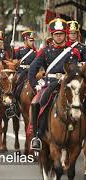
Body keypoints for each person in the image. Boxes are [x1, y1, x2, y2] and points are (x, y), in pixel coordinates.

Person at [28, 18, 81, 151]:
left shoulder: (73, 52)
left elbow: (75, 70)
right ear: (52, 35)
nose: (59, 36)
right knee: (37, 102)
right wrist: (36, 85)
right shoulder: (45, 51)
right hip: (50, 84)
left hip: (68, 84)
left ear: (65, 34)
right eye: (56, 34)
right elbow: (33, 69)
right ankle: (37, 135)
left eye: (61, 34)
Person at [14, 30, 37, 100]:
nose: (32, 42)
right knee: (15, 86)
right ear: (25, 40)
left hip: (31, 73)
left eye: (33, 41)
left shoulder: (35, 52)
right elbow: (14, 60)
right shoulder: (19, 50)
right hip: (21, 72)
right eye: (30, 40)